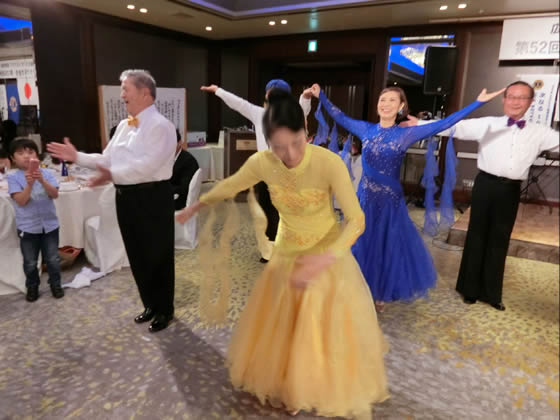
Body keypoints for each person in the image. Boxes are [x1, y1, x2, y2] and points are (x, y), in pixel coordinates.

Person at [176, 89, 389, 418]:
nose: (289, 154)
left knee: (320, 327)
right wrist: (198, 205)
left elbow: (356, 220)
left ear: (307, 131)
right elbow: (232, 184)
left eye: (296, 142)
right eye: (278, 146)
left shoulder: (328, 162)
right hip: (287, 253)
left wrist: (325, 258)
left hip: (326, 254)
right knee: (285, 325)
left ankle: (313, 384)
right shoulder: (263, 162)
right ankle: (289, 383)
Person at [310, 83, 505, 313]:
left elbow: (444, 123)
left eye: (392, 100)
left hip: (389, 203)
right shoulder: (365, 129)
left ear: (401, 106)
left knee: (384, 247)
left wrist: (477, 102)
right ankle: (357, 288)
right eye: (383, 100)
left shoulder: (406, 134)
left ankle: (379, 291)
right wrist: (321, 95)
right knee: (359, 244)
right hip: (364, 199)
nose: (386, 104)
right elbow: (338, 115)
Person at [408, 81, 559, 311]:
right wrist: (421, 124)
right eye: (511, 97)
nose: (516, 102)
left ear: (531, 102)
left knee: (500, 239)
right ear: (504, 100)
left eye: (522, 97)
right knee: (477, 235)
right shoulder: (488, 124)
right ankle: (469, 289)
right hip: (486, 184)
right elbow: (455, 127)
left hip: (511, 189)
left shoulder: (540, 132)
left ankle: (491, 293)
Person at [47, 69, 176, 332]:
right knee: (137, 254)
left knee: (157, 255)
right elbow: (107, 159)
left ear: (145, 93)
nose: (121, 95)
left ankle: (164, 309)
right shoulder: (124, 126)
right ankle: (150, 304)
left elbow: (147, 167)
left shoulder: (162, 126)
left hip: (152, 197)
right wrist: (77, 156)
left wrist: (111, 174)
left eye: (126, 89)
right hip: (125, 197)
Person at [200, 80, 312, 263]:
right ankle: (269, 250)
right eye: (268, 92)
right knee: (266, 211)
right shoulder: (260, 114)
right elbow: (239, 104)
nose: (269, 96)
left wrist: (305, 97)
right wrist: (218, 91)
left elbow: (303, 110)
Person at [7, 138, 64, 302]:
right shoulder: (13, 178)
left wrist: (41, 181)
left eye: (30, 152)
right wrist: (30, 184)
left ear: (37, 156)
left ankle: (56, 284)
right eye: (20, 153)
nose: (26, 156)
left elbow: (55, 194)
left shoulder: (47, 173)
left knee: (53, 259)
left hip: (50, 225)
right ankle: (32, 287)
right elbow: (21, 201)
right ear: (13, 158)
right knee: (30, 262)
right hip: (28, 227)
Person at [171, 129, 199, 210]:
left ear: (179, 143)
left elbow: (184, 188)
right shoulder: (167, 157)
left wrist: (163, 189)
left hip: (179, 200)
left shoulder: (188, 161)